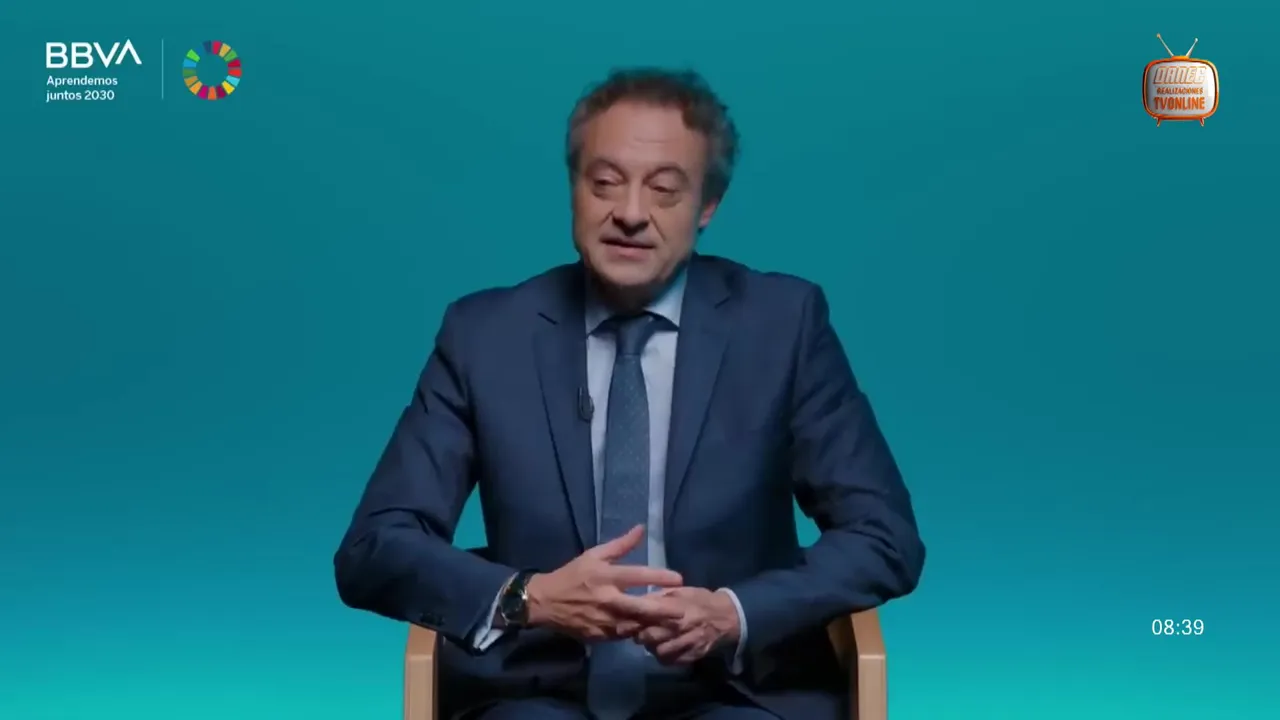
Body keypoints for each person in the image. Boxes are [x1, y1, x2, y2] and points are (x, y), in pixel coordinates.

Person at [334, 67, 925, 720]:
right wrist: (530, 598)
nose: (632, 213)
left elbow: (884, 538)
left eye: (665, 190)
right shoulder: (484, 335)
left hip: (736, 693)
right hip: (539, 693)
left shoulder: (784, 325)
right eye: (605, 183)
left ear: (707, 206)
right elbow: (374, 549)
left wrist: (732, 613)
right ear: (574, 189)